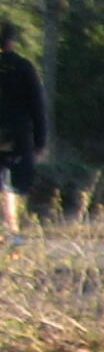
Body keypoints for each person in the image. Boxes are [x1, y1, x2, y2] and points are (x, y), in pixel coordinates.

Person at [0, 21, 43, 238]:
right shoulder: (24, 67)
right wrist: (40, 141)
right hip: (17, 136)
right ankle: (13, 231)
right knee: (14, 187)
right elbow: (37, 106)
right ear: (11, 42)